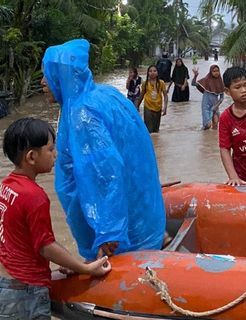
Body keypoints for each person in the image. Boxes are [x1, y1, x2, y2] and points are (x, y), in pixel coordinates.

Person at [41, 39, 166, 261]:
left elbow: (105, 174)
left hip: (127, 241)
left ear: (63, 77)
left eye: (49, 75)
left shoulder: (82, 114)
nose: (43, 82)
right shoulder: (106, 95)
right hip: (145, 221)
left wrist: (109, 234)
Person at [0, 118, 111, 319]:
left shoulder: (7, 186)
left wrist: (65, 260)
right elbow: (45, 246)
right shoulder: (35, 196)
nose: (56, 154)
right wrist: (84, 268)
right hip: (27, 291)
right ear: (32, 157)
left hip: (6, 282)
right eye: (50, 149)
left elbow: (24, 237)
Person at [136, 65, 168, 133]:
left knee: (156, 130)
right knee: (149, 130)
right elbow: (141, 95)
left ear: (157, 73)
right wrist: (137, 106)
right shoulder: (145, 83)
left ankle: (156, 143)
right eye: (150, 71)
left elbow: (165, 95)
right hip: (148, 107)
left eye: (154, 71)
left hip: (158, 107)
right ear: (148, 73)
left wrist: (165, 107)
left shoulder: (161, 83)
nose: (152, 72)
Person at [192, 65, 224, 130]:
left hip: (215, 106)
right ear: (211, 72)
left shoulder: (220, 82)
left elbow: (221, 98)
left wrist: (216, 106)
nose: (216, 73)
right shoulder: (206, 80)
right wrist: (195, 76)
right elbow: (193, 84)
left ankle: (213, 139)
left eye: (217, 71)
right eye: (214, 71)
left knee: (215, 124)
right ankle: (203, 133)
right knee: (208, 125)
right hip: (206, 106)